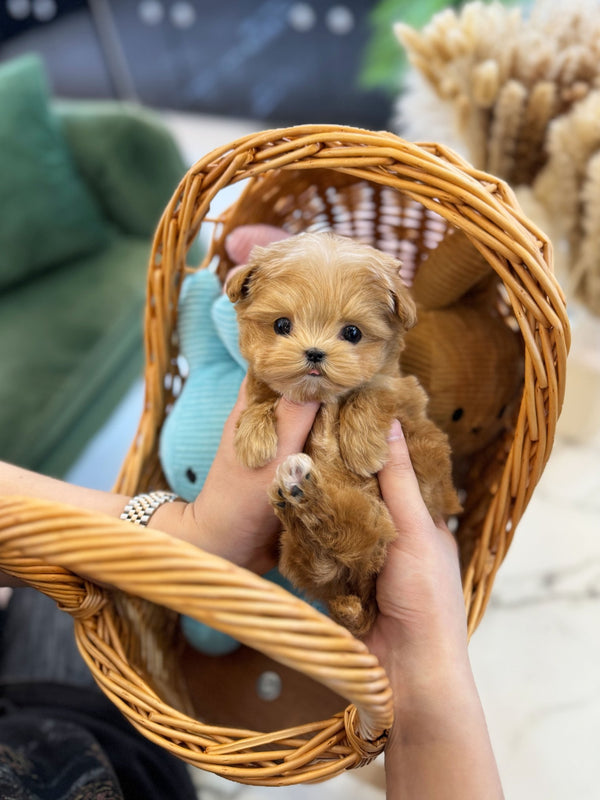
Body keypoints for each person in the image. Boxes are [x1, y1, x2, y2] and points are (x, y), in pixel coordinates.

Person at [0, 381, 504, 799]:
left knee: (59, 597)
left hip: (52, 726)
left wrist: (184, 534)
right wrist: (421, 664)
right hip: (103, 744)